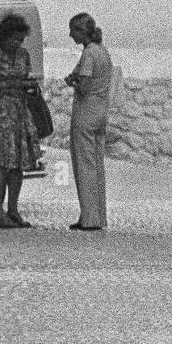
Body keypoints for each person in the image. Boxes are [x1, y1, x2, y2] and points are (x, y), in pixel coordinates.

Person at [0, 13, 42, 228]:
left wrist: (28, 86)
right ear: (4, 36)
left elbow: (26, 79)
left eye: (21, 40)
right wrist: (3, 86)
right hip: (0, 112)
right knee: (0, 163)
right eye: (14, 39)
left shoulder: (23, 55)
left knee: (17, 164)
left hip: (20, 110)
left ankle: (13, 210)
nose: (17, 44)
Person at [64, 12, 113, 232]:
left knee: (84, 165)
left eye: (73, 30)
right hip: (101, 112)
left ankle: (89, 218)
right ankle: (98, 215)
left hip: (86, 113)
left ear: (82, 31)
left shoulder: (89, 54)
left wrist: (73, 82)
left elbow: (83, 85)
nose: (70, 35)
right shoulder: (103, 52)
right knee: (97, 166)